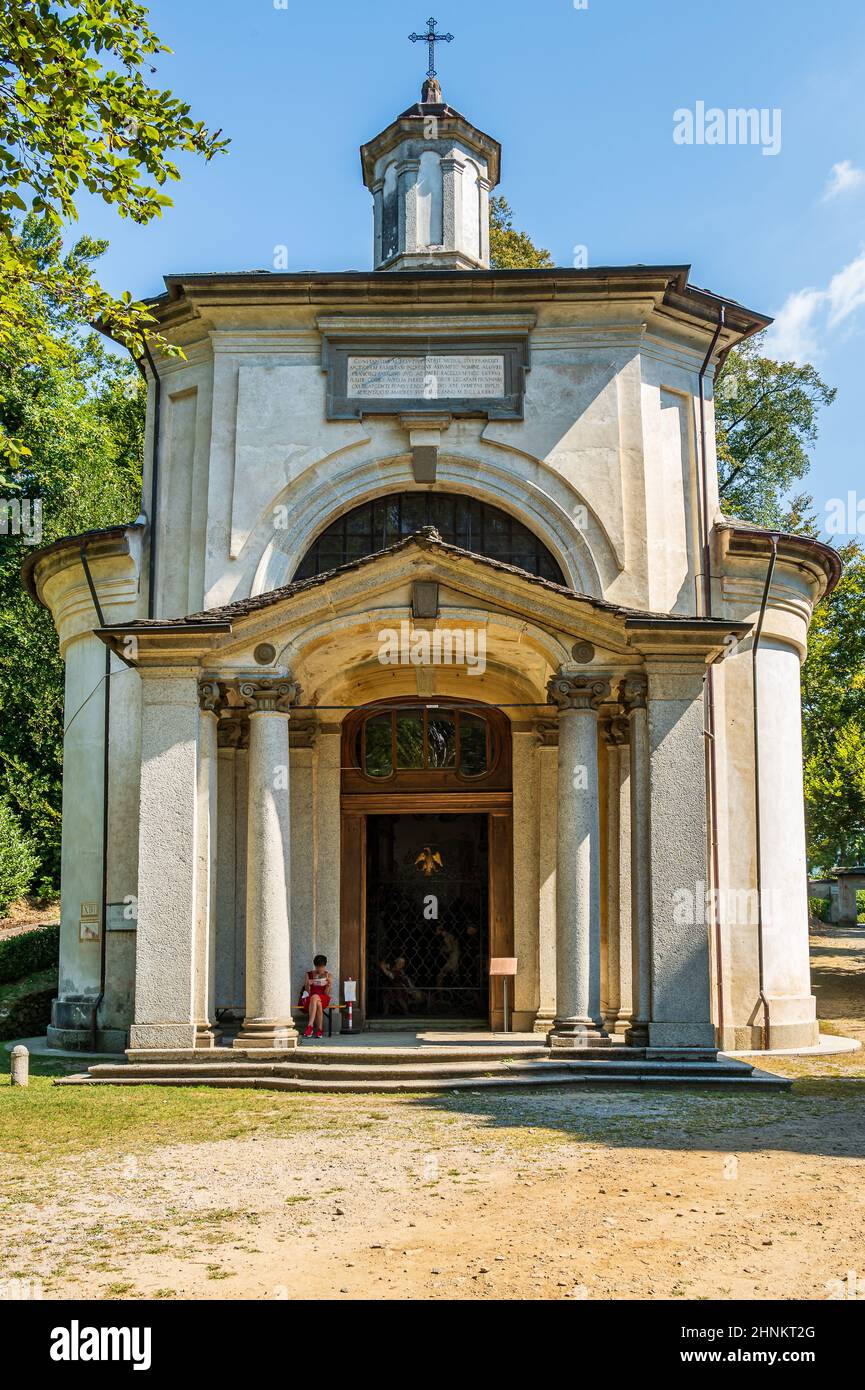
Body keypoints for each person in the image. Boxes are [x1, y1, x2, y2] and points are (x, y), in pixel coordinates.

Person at [301, 955, 333, 1038]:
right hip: (310, 999)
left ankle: (310, 1026)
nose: (320, 969)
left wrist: (329, 985)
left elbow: (326, 994)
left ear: (325, 966)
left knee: (316, 997)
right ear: (315, 966)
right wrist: (308, 984)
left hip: (323, 998)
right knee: (317, 1001)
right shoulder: (308, 974)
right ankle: (319, 1030)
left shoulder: (328, 975)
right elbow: (307, 992)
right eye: (318, 967)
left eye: (322, 967)